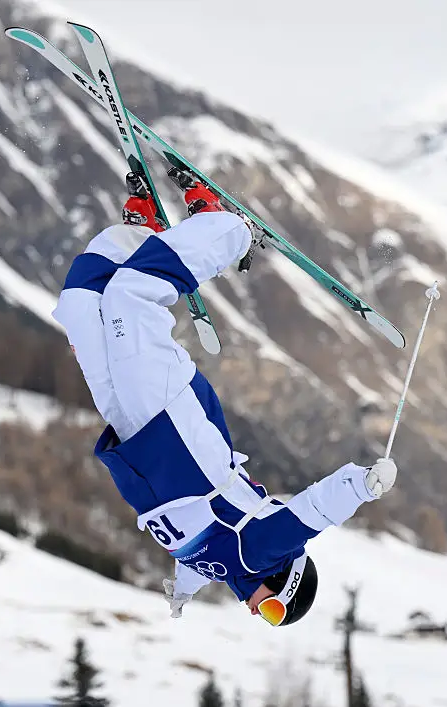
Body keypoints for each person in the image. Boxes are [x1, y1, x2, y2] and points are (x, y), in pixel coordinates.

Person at [51, 171, 398, 627]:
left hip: (131, 435)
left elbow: (194, 554)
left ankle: (142, 236)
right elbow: (312, 512)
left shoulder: (220, 567)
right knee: (130, 299)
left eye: (267, 619)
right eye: (274, 609)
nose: (256, 611)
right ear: (284, 578)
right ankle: (228, 229)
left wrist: (182, 589)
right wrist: (362, 486)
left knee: (82, 306)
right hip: (167, 419)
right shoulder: (261, 552)